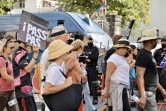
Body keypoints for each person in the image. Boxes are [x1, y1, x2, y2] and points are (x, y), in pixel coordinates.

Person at [40, 26, 70, 110]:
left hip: (57, 94)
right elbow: (48, 80)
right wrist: (66, 84)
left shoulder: (56, 52)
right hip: (53, 96)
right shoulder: (49, 53)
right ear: (57, 38)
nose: (68, 38)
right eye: (65, 35)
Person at [135, 29, 166, 111]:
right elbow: (139, 76)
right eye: (155, 40)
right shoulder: (144, 55)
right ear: (152, 41)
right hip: (147, 93)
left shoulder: (148, 54)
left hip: (148, 93)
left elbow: (152, 75)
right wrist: (143, 95)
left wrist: (162, 90)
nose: (156, 42)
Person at [101, 39, 132, 111]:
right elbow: (108, 75)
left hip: (122, 87)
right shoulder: (114, 58)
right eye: (126, 49)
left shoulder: (121, 58)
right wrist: (106, 90)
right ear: (121, 47)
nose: (127, 51)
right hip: (117, 87)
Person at [44, 40, 74, 110]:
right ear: (60, 54)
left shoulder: (60, 66)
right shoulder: (54, 69)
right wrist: (66, 84)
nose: (67, 52)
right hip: (58, 104)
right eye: (65, 51)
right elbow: (47, 90)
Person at [12, 35, 39, 111]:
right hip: (22, 89)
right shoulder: (19, 53)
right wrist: (35, 54)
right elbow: (27, 69)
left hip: (26, 88)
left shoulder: (23, 52)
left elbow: (27, 67)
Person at [74, 35, 98, 111]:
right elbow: (73, 63)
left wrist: (86, 61)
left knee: (89, 90)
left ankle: (91, 107)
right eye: (85, 40)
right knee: (79, 93)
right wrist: (80, 64)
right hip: (79, 75)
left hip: (86, 71)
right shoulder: (75, 53)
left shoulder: (94, 48)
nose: (87, 41)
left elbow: (95, 57)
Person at [65, 40, 87, 111]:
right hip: (72, 86)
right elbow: (65, 71)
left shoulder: (74, 58)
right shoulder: (71, 58)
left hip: (76, 86)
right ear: (80, 48)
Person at [0, 39, 19, 111]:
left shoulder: (10, 59)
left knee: (13, 109)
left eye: (13, 47)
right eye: (11, 48)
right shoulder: (1, 60)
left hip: (11, 91)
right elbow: (4, 75)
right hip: (2, 92)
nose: (13, 49)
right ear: (4, 48)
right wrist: (16, 81)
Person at [84, 37, 99, 104]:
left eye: (91, 40)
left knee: (94, 83)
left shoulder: (95, 48)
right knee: (85, 83)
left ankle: (95, 98)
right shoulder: (85, 48)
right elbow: (83, 56)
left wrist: (89, 57)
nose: (90, 41)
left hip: (92, 67)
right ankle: (84, 98)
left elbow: (96, 57)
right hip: (85, 67)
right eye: (88, 40)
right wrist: (88, 57)